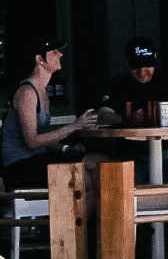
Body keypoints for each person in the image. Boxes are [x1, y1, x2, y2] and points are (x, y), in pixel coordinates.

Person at [97, 41, 168, 182]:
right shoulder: (118, 84)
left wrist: (161, 115)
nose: (142, 71)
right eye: (136, 66)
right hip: (129, 153)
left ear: (155, 60)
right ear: (127, 63)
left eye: (147, 65)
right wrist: (128, 117)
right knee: (125, 195)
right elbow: (103, 116)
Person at [1, 42, 97, 187]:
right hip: (20, 166)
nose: (60, 54)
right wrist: (74, 126)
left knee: (98, 162)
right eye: (54, 52)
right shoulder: (27, 92)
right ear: (40, 59)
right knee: (89, 180)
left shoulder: (42, 91)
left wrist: (66, 149)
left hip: (39, 158)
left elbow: (43, 137)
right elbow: (32, 141)